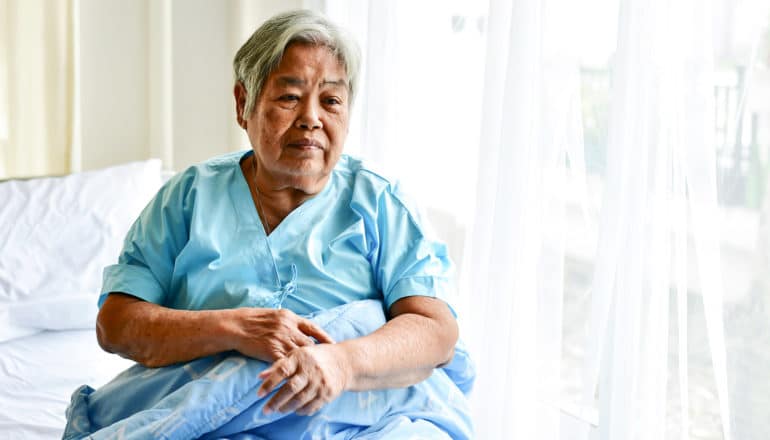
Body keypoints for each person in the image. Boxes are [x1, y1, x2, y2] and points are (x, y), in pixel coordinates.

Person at [95, 9, 458, 420]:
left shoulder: (380, 202)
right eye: (289, 97)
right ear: (243, 103)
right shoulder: (188, 198)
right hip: (214, 420)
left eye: (331, 100)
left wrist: (343, 362)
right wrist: (232, 329)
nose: (311, 119)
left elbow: (435, 331)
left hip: (365, 421)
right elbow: (117, 325)